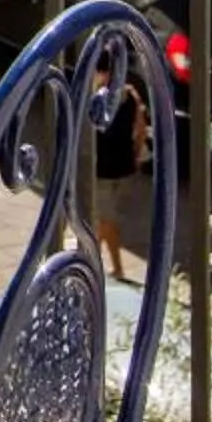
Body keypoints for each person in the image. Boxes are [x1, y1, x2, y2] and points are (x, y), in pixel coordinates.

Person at [91, 58, 148, 282]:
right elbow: (141, 130)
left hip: (103, 170)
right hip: (125, 168)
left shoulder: (95, 98)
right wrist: (135, 155)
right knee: (105, 218)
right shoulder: (130, 95)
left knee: (107, 221)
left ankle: (117, 268)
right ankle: (90, 257)